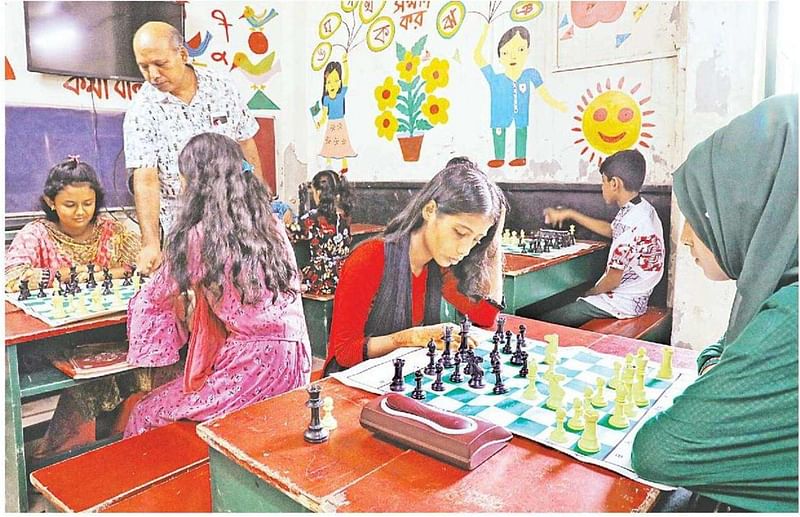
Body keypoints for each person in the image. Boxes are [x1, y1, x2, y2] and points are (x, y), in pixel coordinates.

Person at [631, 94, 798, 512]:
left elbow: (657, 452)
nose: (685, 237)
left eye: (702, 211)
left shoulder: (792, 318)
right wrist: (721, 367)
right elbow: (724, 350)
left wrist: (720, 370)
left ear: (754, 205)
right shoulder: (781, 291)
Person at [124, 133, 311, 437]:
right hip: (295, 360)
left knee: (145, 412)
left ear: (197, 184)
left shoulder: (199, 235)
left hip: (252, 366)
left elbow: (156, 296)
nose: (181, 187)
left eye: (183, 179)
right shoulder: (270, 224)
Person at [5, 156, 146, 457]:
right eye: (70, 205)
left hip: (110, 329)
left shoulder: (112, 231)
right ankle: (66, 454)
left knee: (144, 361)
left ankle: (125, 440)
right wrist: (91, 274)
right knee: (92, 376)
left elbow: (142, 264)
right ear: (50, 201)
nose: (81, 212)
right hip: (57, 338)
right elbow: (12, 277)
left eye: (88, 203)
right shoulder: (37, 234)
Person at [323, 157, 506, 375]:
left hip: (398, 379)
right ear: (430, 210)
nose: (464, 249)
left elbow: (485, 315)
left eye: (475, 240)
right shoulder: (369, 258)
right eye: (460, 233)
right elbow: (343, 352)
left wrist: (494, 239)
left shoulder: (440, 265)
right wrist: (411, 337)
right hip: (351, 386)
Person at [124, 21, 264, 275]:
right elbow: (145, 180)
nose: (153, 75)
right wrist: (151, 243)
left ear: (183, 54)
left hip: (234, 221)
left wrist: (261, 206)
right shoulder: (141, 110)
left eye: (160, 64)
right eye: (143, 67)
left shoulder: (222, 88)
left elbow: (246, 144)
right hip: (183, 229)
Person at [538, 149, 664, 327]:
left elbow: (612, 280)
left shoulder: (630, 223)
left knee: (546, 321)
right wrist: (571, 214)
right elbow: (612, 230)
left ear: (614, 183)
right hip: (637, 299)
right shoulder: (643, 210)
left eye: (603, 182)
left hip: (618, 303)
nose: (601, 187)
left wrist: (590, 293)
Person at [474, 25, 567, 168]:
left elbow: (543, 92)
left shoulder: (530, 74)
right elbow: (478, 56)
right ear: (499, 57)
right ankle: (499, 157)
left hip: (521, 115)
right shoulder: (495, 79)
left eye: (520, 50)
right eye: (505, 53)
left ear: (527, 51)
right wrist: (485, 33)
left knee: (521, 130)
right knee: (499, 131)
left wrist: (556, 104)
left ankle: (520, 156)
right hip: (500, 116)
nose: (513, 56)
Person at [289, 170, 355, 295]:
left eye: (313, 192)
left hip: (321, 279)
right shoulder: (345, 215)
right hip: (343, 277)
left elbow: (292, 234)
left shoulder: (311, 218)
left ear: (319, 192)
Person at [316, 55, 357, 174]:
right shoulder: (326, 99)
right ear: (325, 84)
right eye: (329, 82)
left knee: (342, 142)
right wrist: (319, 123)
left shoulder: (341, 95)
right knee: (329, 142)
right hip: (331, 123)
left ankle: (344, 163)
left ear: (340, 82)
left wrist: (345, 64)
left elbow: (347, 78)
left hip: (340, 123)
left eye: (335, 81)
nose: (332, 85)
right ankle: (328, 162)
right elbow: (324, 115)